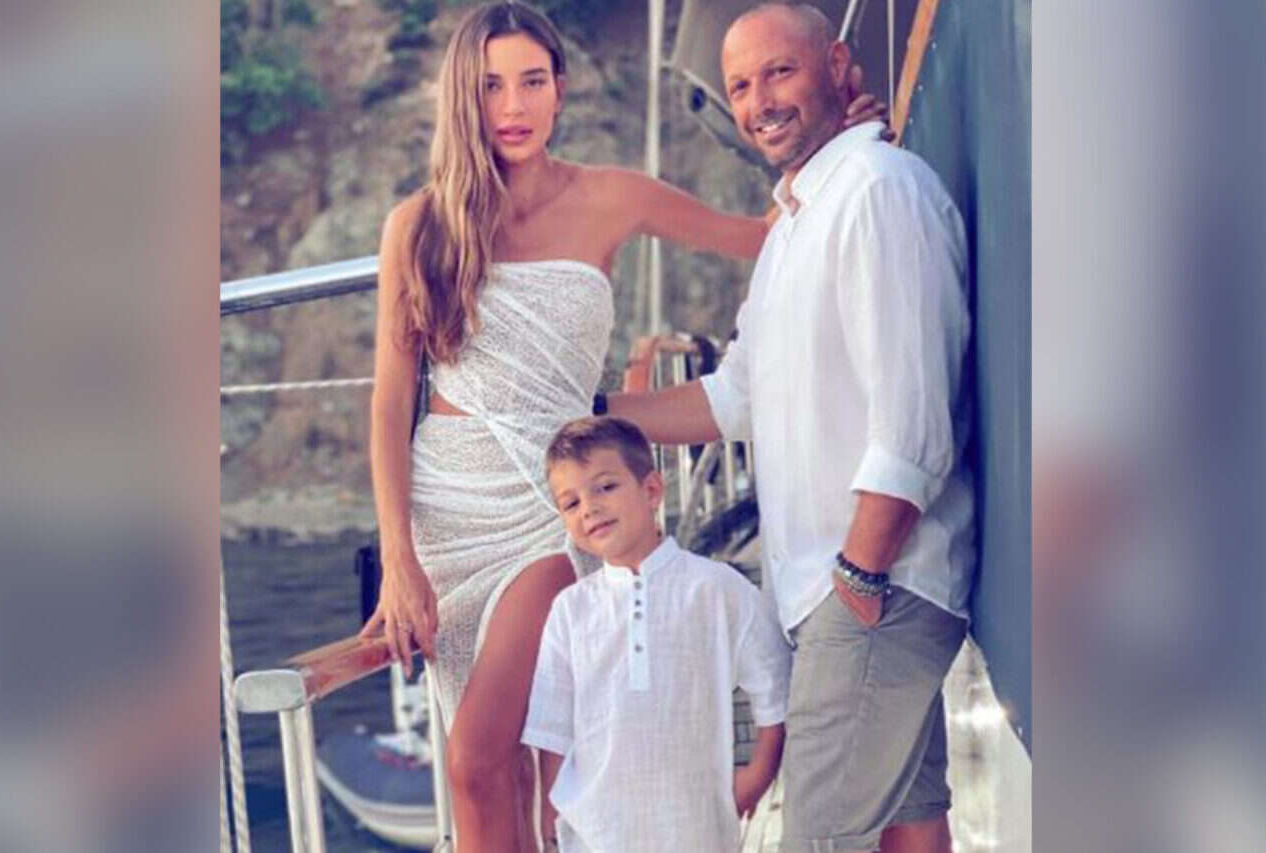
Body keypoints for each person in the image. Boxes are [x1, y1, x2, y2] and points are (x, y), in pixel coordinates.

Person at [359, 3, 886, 851]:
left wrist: (838, 147)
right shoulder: (417, 227)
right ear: (464, 95)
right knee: (522, 770)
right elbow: (391, 402)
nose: (514, 106)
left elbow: (765, 236)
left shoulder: (613, 196)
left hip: (553, 501)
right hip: (446, 507)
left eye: (533, 81)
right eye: (492, 86)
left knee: (473, 760)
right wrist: (399, 560)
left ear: (560, 89)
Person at [606, 4, 974, 853]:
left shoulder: (877, 192)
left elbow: (913, 424)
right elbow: (733, 397)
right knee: (910, 830)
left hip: (877, 586)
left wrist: (858, 578)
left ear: (838, 67)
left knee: (817, 838)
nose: (759, 102)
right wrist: (592, 414)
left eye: (780, 72)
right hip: (837, 590)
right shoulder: (793, 228)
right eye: (740, 86)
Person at [524, 416, 790, 853]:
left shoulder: (715, 588)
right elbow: (553, 731)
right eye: (571, 503)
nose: (589, 508)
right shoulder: (570, 610)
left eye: (605, 487)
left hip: (695, 831)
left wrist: (757, 776)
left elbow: (775, 688)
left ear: (651, 490)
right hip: (597, 835)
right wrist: (551, 821)